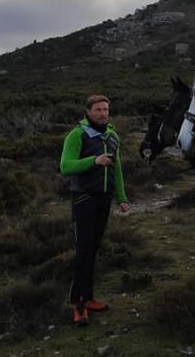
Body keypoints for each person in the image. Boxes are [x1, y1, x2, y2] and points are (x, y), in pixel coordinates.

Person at [60, 95, 130, 326]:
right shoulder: (77, 134)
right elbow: (65, 166)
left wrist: (122, 197)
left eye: (106, 110)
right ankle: (78, 305)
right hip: (83, 199)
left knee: (94, 249)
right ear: (88, 111)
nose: (103, 113)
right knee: (84, 250)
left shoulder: (112, 136)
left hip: (104, 199)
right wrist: (94, 161)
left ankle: (88, 298)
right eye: (98, 110)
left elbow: (117, 168)